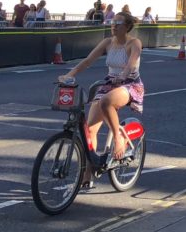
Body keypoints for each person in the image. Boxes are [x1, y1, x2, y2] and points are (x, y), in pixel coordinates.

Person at [61, 12, 144, 160]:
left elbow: (131, 64)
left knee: (106, 101)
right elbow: (88, 61)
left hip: (130, 83)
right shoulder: (107, 42)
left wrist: (123, 76)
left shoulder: (134, 43)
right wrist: (70, 75)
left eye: (118, 24)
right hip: (110, 82)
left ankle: (118, 138)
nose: (113, 26)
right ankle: (87, 177)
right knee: (90, 130)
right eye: (112, 22)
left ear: (126, 27)